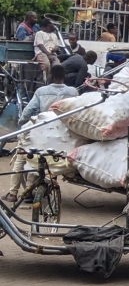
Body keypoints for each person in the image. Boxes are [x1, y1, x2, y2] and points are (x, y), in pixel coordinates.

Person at [7, 65, 79, 203]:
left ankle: (13, 193)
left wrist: (22, 125)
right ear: (64, 77)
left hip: (41, 129)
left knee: (22, 158)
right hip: (63, 135)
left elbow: (29, 111)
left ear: (51, 76)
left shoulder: (41, 91)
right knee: (41, 160)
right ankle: (29, 190)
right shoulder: (73, 92)